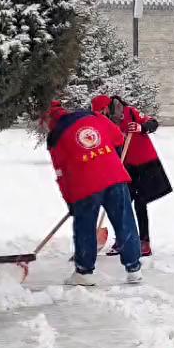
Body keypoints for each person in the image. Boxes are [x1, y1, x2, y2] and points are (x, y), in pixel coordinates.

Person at [46, 103, 143, 286]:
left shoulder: (56, 137)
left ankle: (84, 272)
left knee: (85, 227)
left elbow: (61, 174)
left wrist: (70, 201)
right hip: (114, 176)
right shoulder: (93, 116)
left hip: (85, 185)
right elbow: (118, 138)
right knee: (124, 221)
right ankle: (134, 268)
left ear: (48, 119)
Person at [91, 95, 172, 258]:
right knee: (121, 203)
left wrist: (141, 127)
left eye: (100, 112)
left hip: (145, 164)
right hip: (125, 165)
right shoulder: (104, 122)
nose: (99, 115)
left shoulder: (130, 112)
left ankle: (144, 242)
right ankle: (123, 239)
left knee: (140, 203)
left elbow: (152, 123)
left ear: (106, 108)